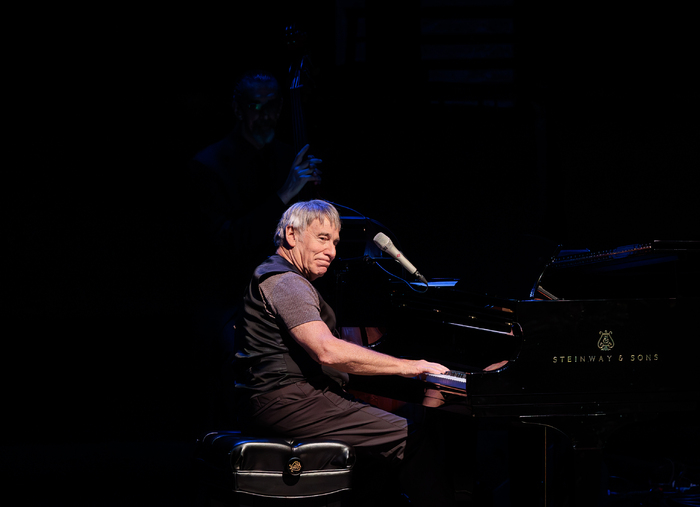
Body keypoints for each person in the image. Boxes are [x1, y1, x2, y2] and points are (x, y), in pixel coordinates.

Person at [229, 200, 457, 506]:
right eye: (323, 238)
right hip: (288, 402)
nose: (333, 252)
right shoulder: (286, 282)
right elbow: (327, 351)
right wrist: (409, 366)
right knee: (412, 438)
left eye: (335, 242)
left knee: (378, 456)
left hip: (279, 400)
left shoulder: (277, 276)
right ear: (291, 235)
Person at [187, 71, 323, 431]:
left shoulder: (287, 156)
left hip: (283, 294)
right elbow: (227, 242)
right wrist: (284, 194)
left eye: (272, 106)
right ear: (238, 109)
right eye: (255, 106)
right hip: (230, 298)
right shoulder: (209, 165)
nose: (264, 116)